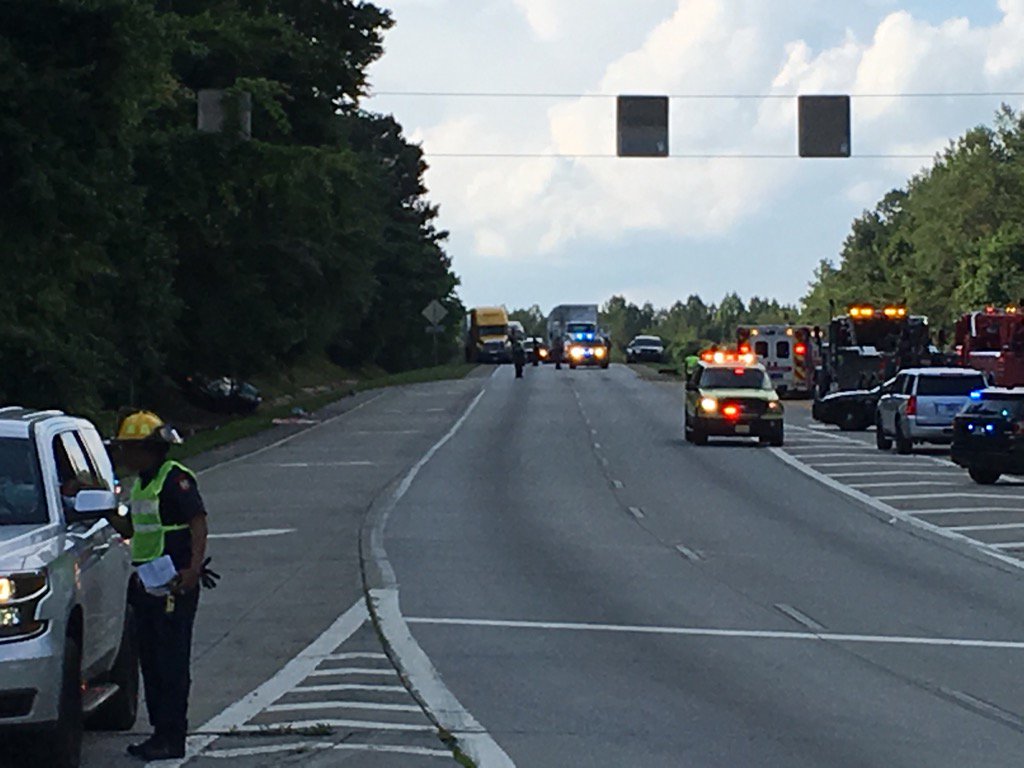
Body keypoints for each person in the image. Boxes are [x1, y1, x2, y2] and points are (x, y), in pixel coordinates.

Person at [110, 411, 209, 761]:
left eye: (128, 448)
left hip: (174, 583)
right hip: (148, 583)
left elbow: (198, 522)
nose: (123, 455)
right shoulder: (140, 484)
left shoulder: (174, 480)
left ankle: (173, 735)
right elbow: (133, 531)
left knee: (171, 662)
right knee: (150, 662)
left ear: (147, 449)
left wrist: (193, 570)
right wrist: (101, 506)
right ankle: (159, 734)